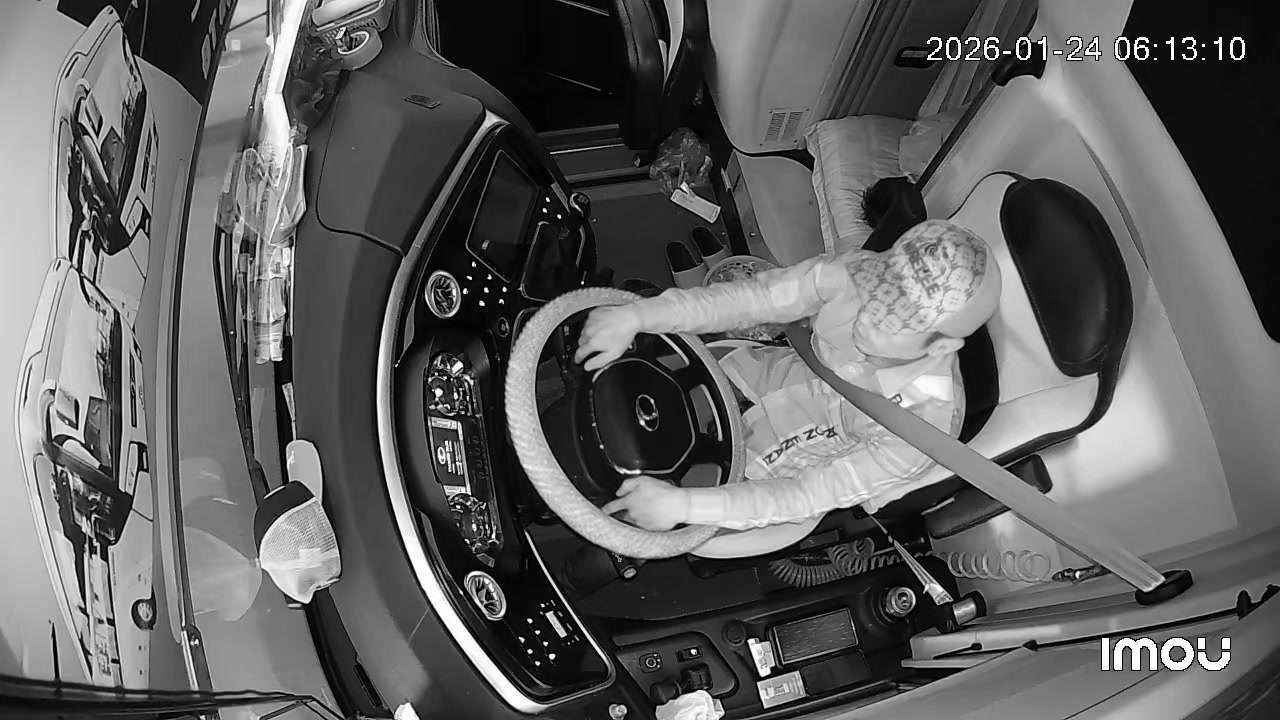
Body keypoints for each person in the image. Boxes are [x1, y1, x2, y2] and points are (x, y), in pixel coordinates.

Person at [575, 219, 1002, 532]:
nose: (865, 320)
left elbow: (805, 495)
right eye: (877, 291)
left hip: (763, 474)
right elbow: (754, 298)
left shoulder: (920, 430)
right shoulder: (854, 272)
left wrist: (685, 506)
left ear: (941, 346)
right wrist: (640, 315)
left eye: (893, 320)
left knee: (625, 515)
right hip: (748, 374)